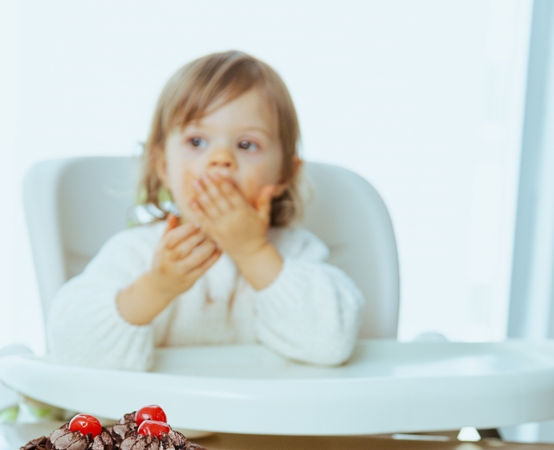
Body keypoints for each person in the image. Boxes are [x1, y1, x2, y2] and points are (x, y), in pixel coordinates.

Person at [48, 51, 364, 371]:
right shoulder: (137, 254)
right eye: (197, 141)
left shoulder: (296, 253)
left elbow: (332, 342)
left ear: (285, 173)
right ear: (162, 166)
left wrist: (254, 252)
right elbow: (70, 348)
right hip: (163, 418)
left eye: (246, 145)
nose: (220, 158)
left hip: (262, 420)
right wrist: (156, 288)